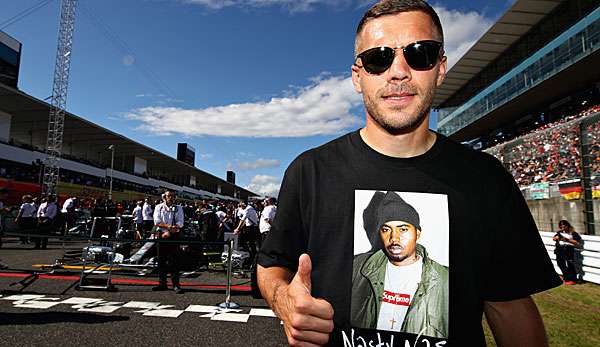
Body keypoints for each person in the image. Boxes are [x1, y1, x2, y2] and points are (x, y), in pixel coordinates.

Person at [256, 1, 561, 346]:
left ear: (440, 68)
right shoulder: (309, 171)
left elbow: (511, 307)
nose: (398, 72)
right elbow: (272, 264)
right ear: (358, 76)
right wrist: (283, 300)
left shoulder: (487, 179)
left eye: (420, 54)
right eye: (378, 58)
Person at [351, 191, 447, 336]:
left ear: (418, 233)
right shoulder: (357, 268)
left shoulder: (444, 279)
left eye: (403, 229)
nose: (394, 238)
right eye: (386, 229)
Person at [152, 190, 184, 294]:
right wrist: (168, 228)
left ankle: (176, 284)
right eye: (169, 196)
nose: (171, 197)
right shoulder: (159, 207)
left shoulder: (178, 208)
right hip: (161, 235)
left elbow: (180, 222)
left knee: (174, 261)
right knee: (161, 260)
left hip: (174, 235)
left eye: (173, 196)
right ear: (164, 197)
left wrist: (170, 231)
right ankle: (162, 283)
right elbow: (157, 221)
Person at [552, 220, 582, 285]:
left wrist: (567, 240)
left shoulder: (573, 233)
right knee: (560, 264)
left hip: (568, 249)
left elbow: (577, 242)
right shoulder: (560, 232)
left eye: (564, 226)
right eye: (561, 226)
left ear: (567, 226)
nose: (562, 227)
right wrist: (556, 238)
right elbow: (553, 238)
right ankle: (566, 278)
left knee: (570, 264)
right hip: (559, 250)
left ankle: (573, 279)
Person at [234, 201, 259, 265]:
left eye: (240, 205)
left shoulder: (248, 209)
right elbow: (244, 221)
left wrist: (237, 229)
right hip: (249, 228)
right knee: (247, 244)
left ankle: (252, 260)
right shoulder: (247, 209)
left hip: (252, 228)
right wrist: (239, 229)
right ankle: (249, 258)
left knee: (250, 244)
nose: (240, 206)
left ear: (243, 204)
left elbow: (242, 220)